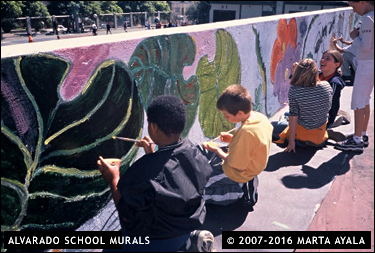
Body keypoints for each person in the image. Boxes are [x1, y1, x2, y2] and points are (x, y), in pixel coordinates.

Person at [97, 95, 214, 252]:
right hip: (183, 231)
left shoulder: (144, 171)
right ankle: (189, 242)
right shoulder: (194, 152)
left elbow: (126, 214)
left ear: (153, 127)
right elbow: (171, 176)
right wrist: (153, 156)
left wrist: (113, 179)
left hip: (157, 241)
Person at [202, 85, 273, 210]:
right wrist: (232, 138)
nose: (225, 118)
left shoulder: (246, 132)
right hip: (252, 163)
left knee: (203, 187)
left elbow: (235, 164)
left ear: (240, 113)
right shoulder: (259, 118)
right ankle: (246, 181)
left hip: (239, 172)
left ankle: (240, 192)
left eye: (227, 115)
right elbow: (254, 142)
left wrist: (217, 150)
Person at [335, 1, 374, 152]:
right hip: (371, 63)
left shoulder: (367, 19)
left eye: (354, 6)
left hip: (366, 64)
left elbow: (364, 47)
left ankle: (356, 140)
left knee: (358, 101)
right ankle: (362, 134)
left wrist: (355, 36)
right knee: (365, 100)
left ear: (362, 2)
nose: (354, 10)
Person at [273, 59, 333, 152]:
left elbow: (294, 117)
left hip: (302, 136)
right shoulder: (326, 86)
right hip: (320, 134)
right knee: (287, 114)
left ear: (298, 73)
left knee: (271, 125)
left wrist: (291, 142)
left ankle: (297, 140)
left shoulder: (295, 90)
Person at [319, 50, 347, 128]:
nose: (322, 60)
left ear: (336, 64)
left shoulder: (334, 82)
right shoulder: (317, 75)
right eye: (322, 58)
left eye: (327, 59)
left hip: (323, 118)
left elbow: (329, 104)